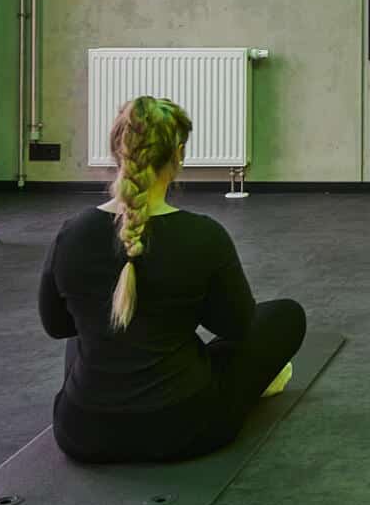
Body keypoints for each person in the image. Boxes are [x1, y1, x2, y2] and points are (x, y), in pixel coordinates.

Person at [38, 96, 306, 464]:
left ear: (118, 150)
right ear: (178, 155)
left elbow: (57, 326)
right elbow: (236, 325)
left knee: (90, 331)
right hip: (182, 429)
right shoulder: (203, 235)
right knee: (286, 315)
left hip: (82, 431)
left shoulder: (72, 233)